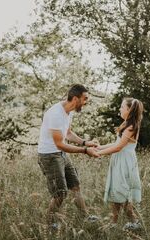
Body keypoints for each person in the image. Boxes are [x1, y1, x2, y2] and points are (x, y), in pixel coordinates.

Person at [37, 84, 100, 229]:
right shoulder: (55, 114)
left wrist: (86, 142)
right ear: (76, 98)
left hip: (61, 154)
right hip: (49, 155)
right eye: (85, 99)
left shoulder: (69, 111)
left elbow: (68, 133)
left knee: (75, 186)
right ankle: (50, 224)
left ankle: (85, 217)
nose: (86, 102)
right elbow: (60, 144)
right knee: (60, 193)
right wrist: (85, 150)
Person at [96, 97, 144, 230]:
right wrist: (99, 147)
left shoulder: (131, 127)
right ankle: (114, 223)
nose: (120, 109)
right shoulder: (126, 125)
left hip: (124, 164)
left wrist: (99, 154)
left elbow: (118, 147)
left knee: (122, 193)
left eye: (122, 107)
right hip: (119, 161)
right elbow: (117, 144)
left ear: (129, 110)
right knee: (116, 193)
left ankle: (134, 223)